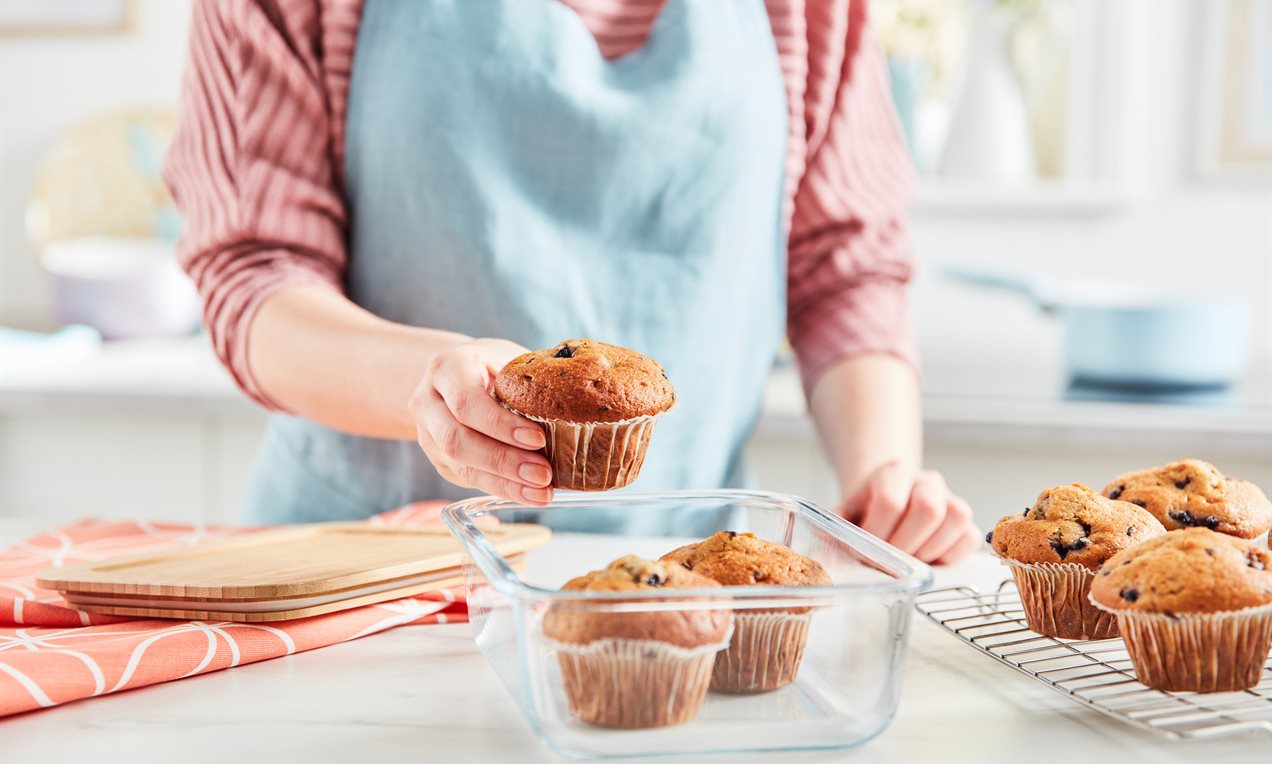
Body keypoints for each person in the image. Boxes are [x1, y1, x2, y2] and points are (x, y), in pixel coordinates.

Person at [164, 0, 981, 563]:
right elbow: (256, 273)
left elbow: (844, 268)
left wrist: (884, 480)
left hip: (686, 577)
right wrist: (429, 385)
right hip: (366, 575)